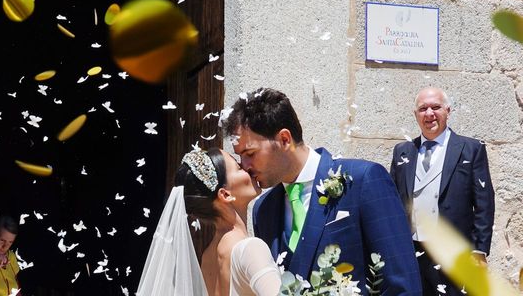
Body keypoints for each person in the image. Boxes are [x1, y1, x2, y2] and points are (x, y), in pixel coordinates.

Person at [226, 88, 422, 295]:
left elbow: (402, 284)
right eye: (240, 157)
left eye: (250, 153)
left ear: (284, 139)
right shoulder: (263, 210)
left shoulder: (363, 180)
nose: (244, 165)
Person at [390, 87, 495, 296]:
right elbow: (393, 202)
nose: (429, 114)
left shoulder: (470, 149)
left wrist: (479, 250)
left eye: (435, 107)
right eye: (423, 109)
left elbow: (484, 203)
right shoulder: (402, 151)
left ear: (448, 110)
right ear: (415, 115)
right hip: (412, 250)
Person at [137, 147, 281, 296]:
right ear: (225, 195)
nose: (247, 168)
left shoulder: (208, 257)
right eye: (238, 168)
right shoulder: (250, 249)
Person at [0, 215, 21, 296]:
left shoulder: (11, 256)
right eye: (2, 240)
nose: (5, 246)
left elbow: (16, 288)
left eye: (10, 242)